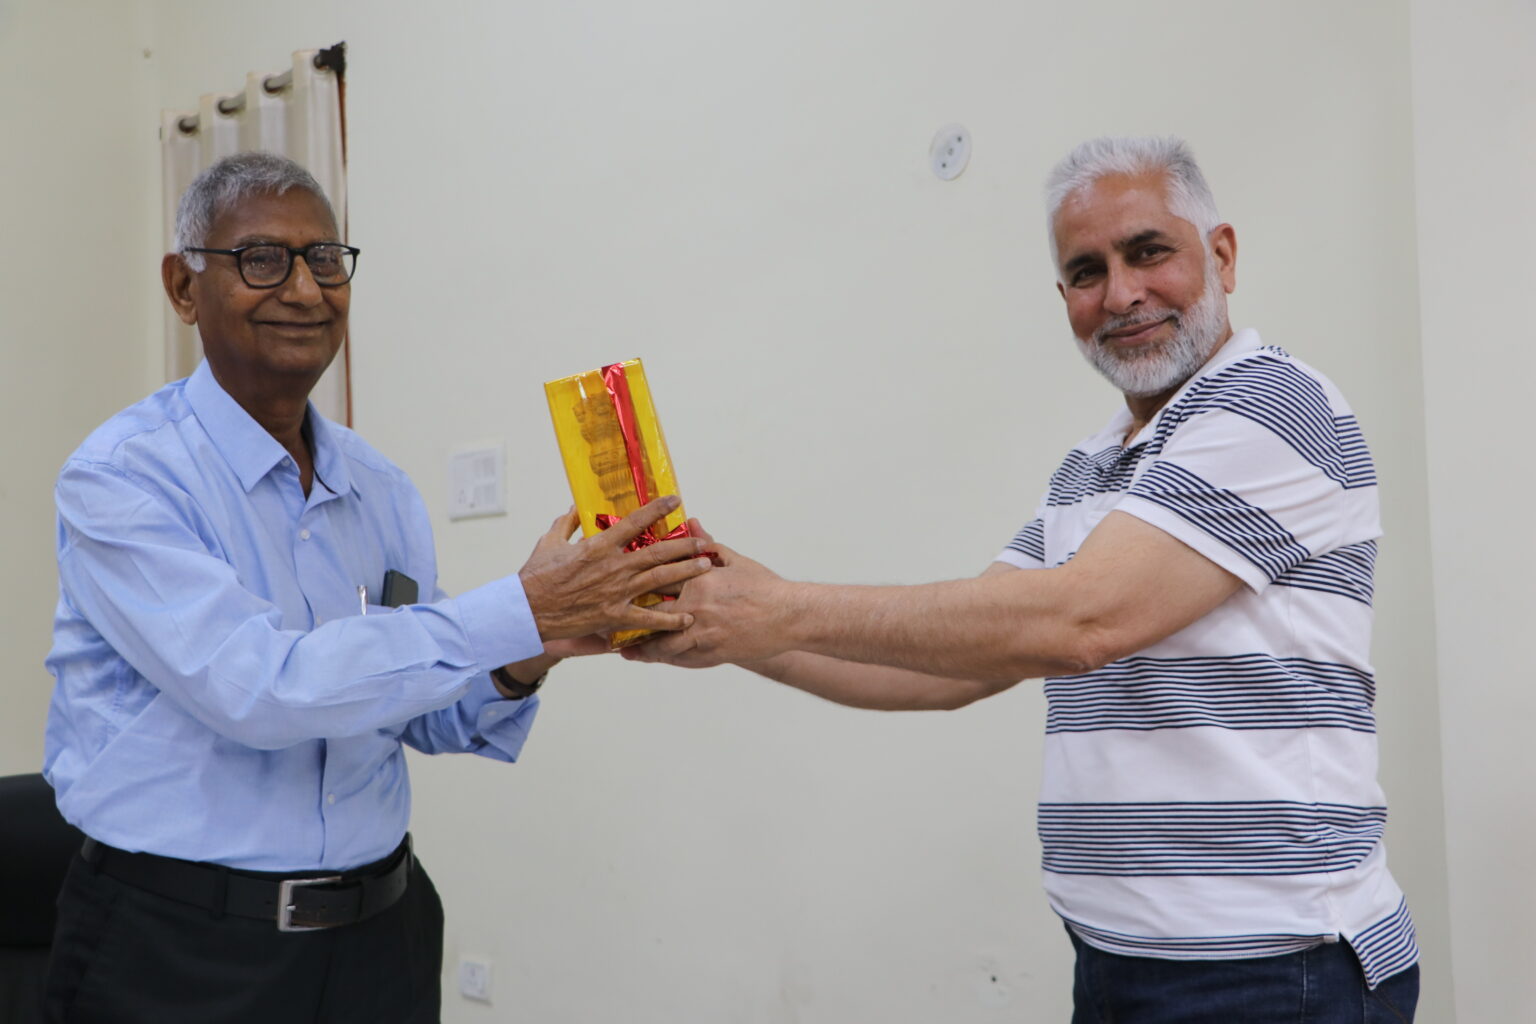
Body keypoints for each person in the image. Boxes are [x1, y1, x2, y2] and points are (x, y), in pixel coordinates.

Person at [628, 136, 1419, 1021]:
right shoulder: (1092, 466)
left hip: (1277, 971)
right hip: (1118, 964)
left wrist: (776, 608)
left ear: (1222, 256)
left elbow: (1080, 622)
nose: (1121, 293)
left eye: (1148, 252)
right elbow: (955, 665)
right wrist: (729, 629)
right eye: (1087, 272)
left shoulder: (1272, 404)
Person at [40, 151, 712, 1023]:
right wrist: (517, 609)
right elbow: (259, 691)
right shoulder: (124, 478)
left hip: (380, 941)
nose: (305, 290)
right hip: (183, 950)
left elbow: (418, 711)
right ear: (183, 287)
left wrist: (530, 649)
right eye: (262, 259)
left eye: (326, 260)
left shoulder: (380, 488)